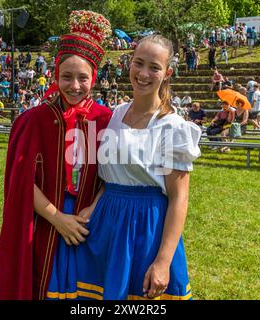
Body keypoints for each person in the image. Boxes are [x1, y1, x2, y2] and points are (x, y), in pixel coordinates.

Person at [56, 34, 201, 300]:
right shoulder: (116, 114)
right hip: (106, 223)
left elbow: (179, 199)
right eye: (139, 63)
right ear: (129, 64)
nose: (144, 73)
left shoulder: (173, 127)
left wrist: (163, 261)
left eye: (154, 67)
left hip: (147, 227)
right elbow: (112, 175)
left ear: (167, 73)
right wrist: (96, 204)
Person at [0, 10, 113, 300]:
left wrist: (93, 210)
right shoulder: (33, 120)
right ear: (55, 76)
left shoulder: (107, 119)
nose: (74, 85)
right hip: (46, 220)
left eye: (83, 78)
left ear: (93, 77)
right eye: (66, 77)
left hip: (90, 220)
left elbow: (115, 175)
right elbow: (20, 181)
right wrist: (58, 218)